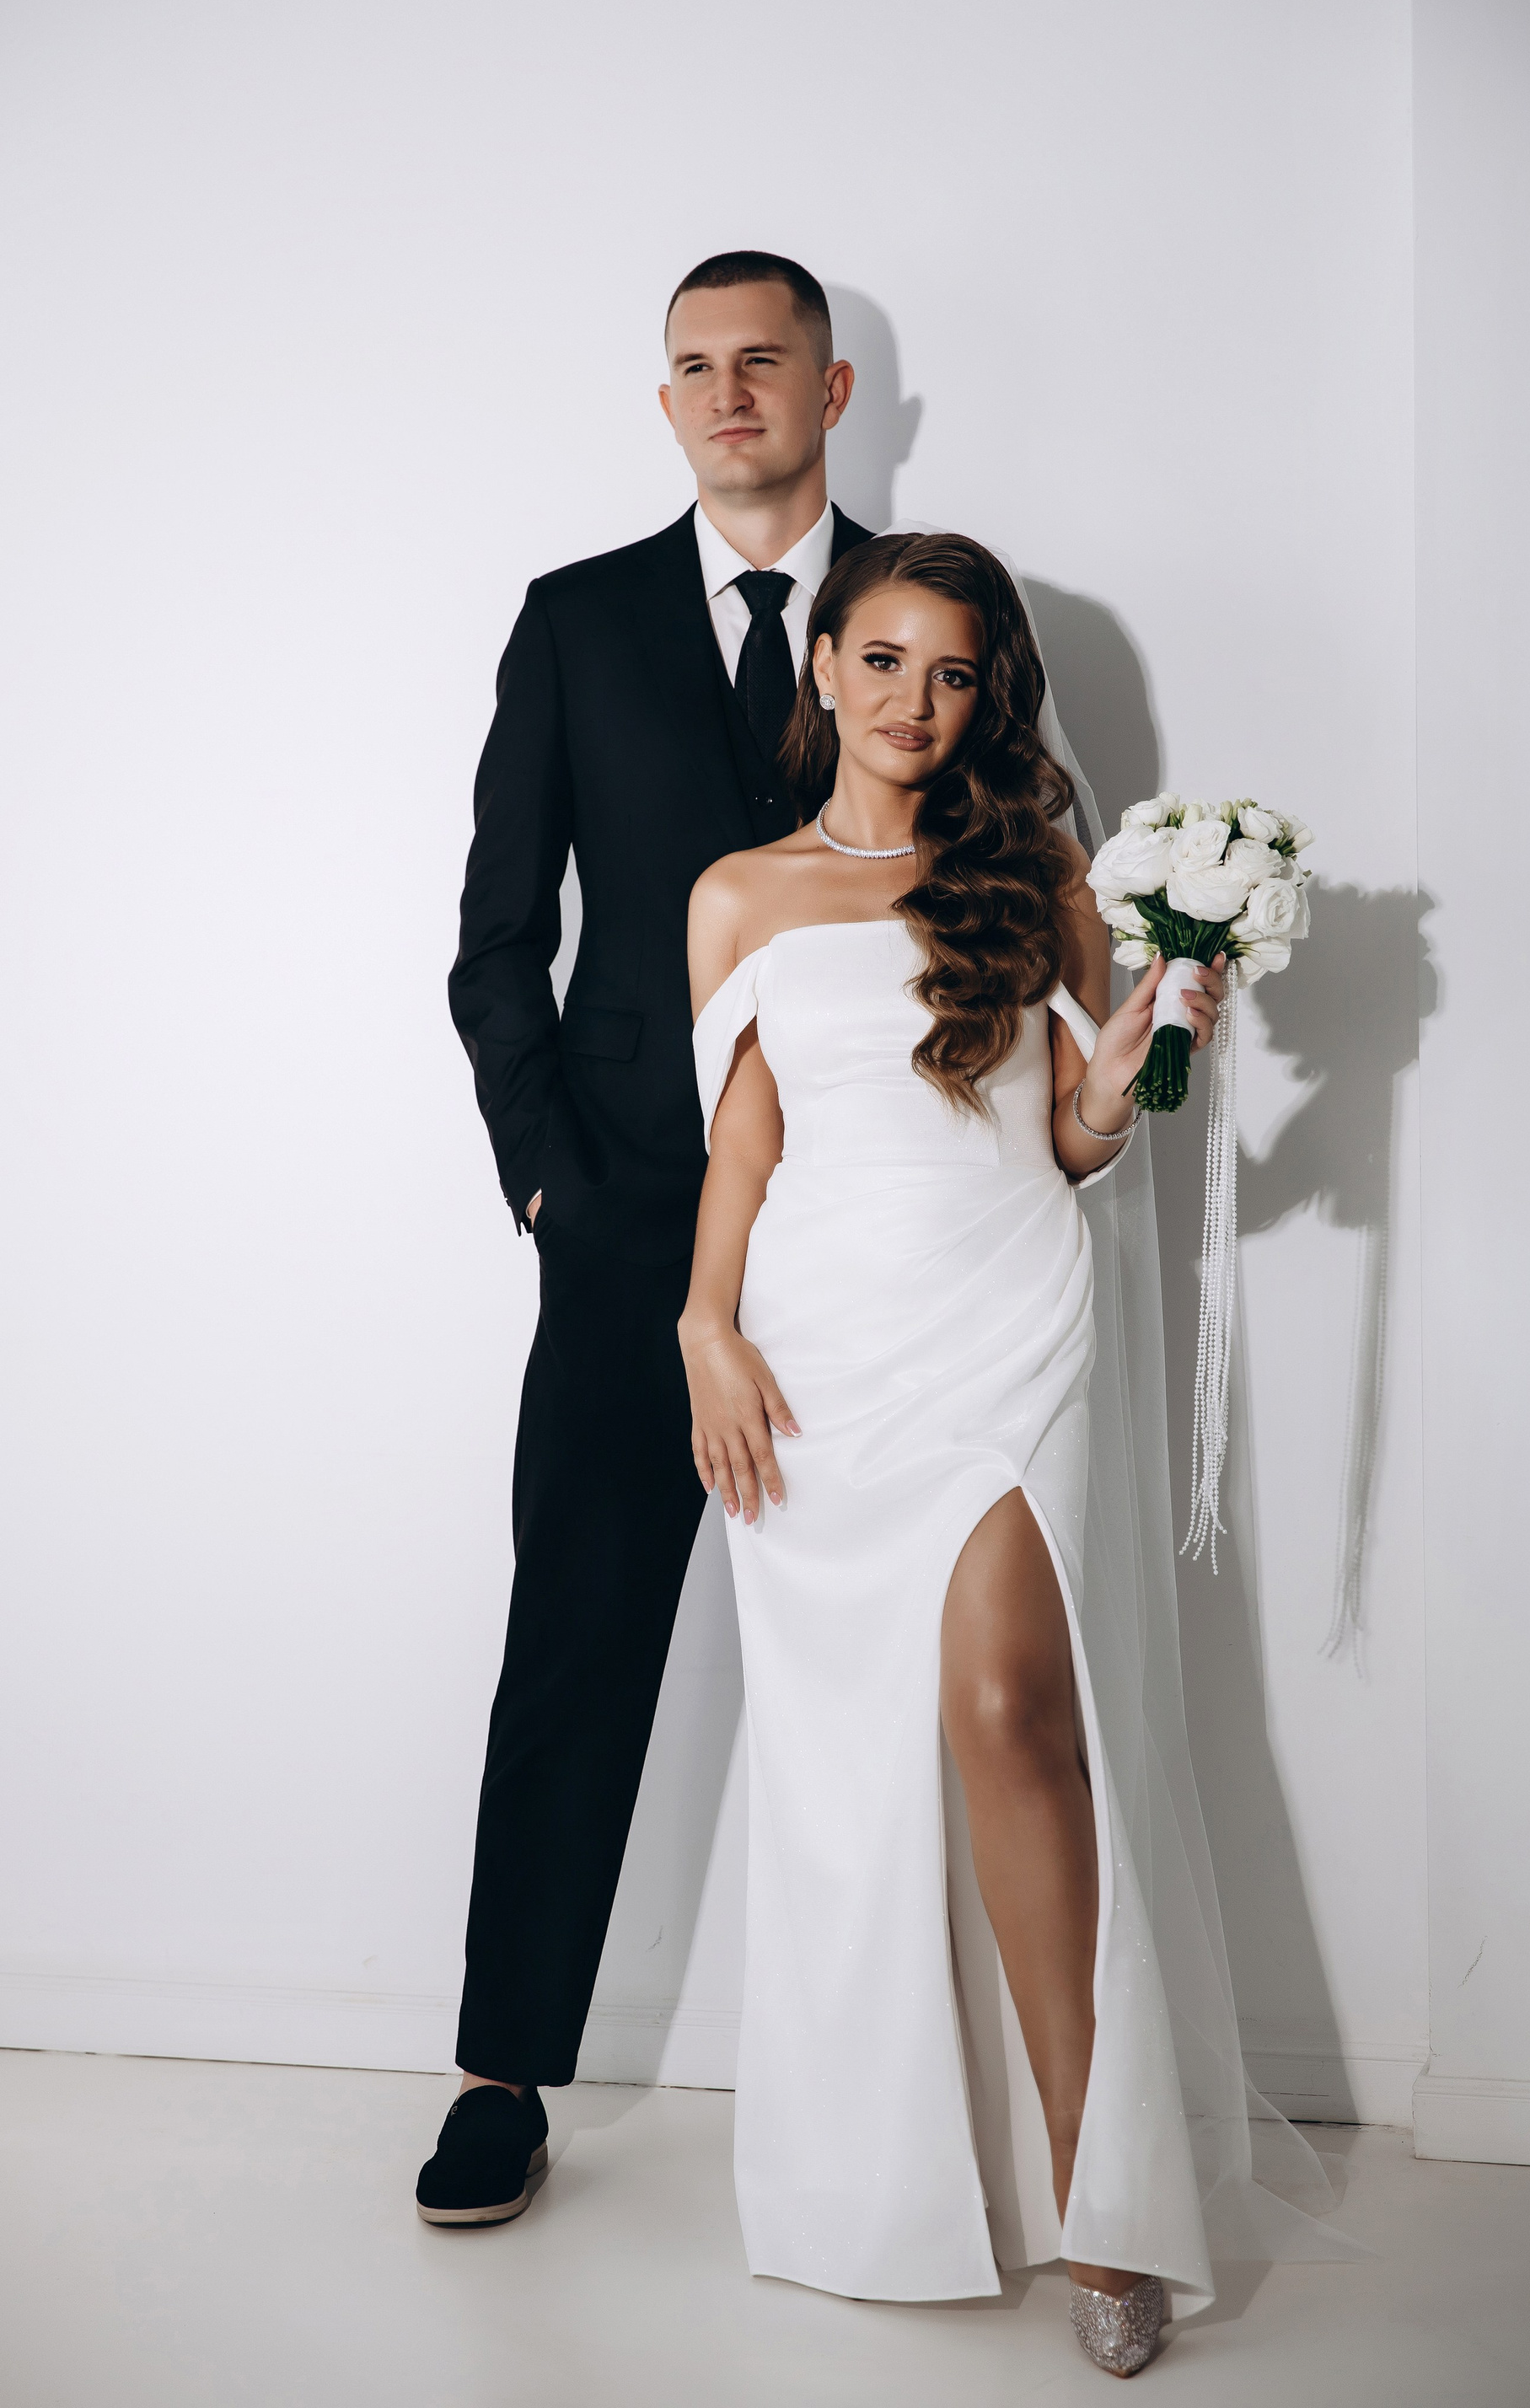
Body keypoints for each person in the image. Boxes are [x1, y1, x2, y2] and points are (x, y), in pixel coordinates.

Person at [680, 532, 1226, 2377]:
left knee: (1009, 1710)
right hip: (817, 1366)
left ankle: (1102, 2195)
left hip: (1007, 1321)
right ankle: (886, 2181)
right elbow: (743, 1146)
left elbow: (1073, 1132)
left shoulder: (1035, 873)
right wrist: (704, 1329)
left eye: (957, 672)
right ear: (822, 663)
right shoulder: (740, 895)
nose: (917, 701)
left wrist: (1133, 1062)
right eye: (886, 659)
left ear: (990, 696)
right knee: (845, 1774)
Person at [417, 251, 872, 2227]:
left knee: (903, 1647)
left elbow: (999, 879)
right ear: (666, 401)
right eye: (693, 367)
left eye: (762, 360)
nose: (727, 393)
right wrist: (547, 1178)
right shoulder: (577, 619)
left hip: (874, 1220)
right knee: (578, 1644)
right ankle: (501, 2074)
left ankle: (921, 2089)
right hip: (622, 1222)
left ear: (832, 390)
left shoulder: (925, 609)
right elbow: (496, 939)